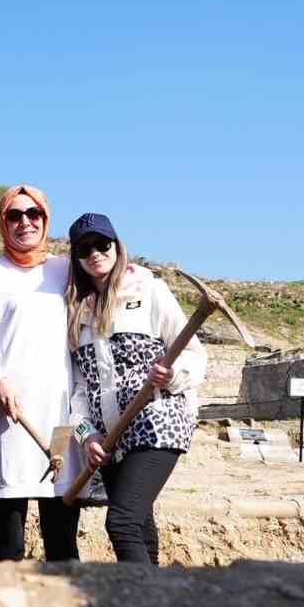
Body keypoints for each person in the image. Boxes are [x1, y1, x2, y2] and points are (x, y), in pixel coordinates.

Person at [64, 212, 205, 564]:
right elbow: (80, 388)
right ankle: (159, 603)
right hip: (112, 437)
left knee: (122, 522)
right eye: (84, 248)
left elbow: (193, 354)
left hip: (157, 422)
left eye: (102, 244)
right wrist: (88, 436)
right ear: (76, 258)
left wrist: (171, 376)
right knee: (140, 527)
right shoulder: (77, 311)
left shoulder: (150, 290)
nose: (95, 252)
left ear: (116, 245)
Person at [0, 184, 83, 563]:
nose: (25, 222)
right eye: (14, 215)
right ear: (4, 222)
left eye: (33, 214)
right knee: (6, 537)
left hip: (60, 418)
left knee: (63, 536)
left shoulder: (66, 271)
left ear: (46, 219)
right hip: (7, 419)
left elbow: (109, 279)